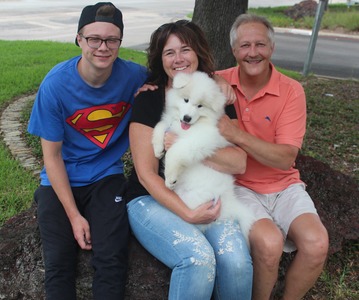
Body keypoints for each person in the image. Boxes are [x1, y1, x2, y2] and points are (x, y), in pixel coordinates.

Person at [125, 20, 253, 300]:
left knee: (237, 261)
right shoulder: (149, 100)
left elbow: (238, 162)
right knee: (198, 259)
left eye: (185, 49)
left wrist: (186, 145)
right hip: (151, 198)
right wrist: (187, 213)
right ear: (161, 60)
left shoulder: (216, 97)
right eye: (169, 52)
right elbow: (147, 175)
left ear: (198, 53)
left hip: (204, 192)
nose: (179, 58)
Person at [27, 2, 147, 299]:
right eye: (94, 39)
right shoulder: (55, 85)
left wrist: (219, 81)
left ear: (120, 42)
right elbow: (52, 157)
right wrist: (74, 216)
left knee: (111, 259)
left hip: (106, 177)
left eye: (111, 39)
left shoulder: (135, 76)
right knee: (58, 264)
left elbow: (180, 74)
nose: (103, 47)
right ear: (79, 39)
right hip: (59, 180)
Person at [216, 14, 329, 300]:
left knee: (316, 244)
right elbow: (175, 82)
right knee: (269, 243)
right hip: (239, 185)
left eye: (260, 44)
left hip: (284, 185)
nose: (252, 53)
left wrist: (237, 134)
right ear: (233, 50)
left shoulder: (291, 91)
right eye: (244, 46)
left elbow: (284, 158)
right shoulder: (219, 82)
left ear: (272, 48)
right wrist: (148, 86)